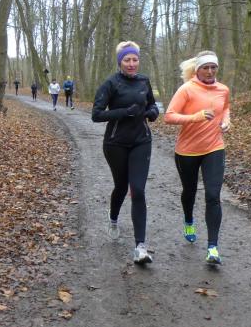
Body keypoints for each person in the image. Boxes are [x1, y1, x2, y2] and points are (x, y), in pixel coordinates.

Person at [92, 41, 158, 264]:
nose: (131, 64)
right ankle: (113, 219)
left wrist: (152, 112)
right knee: (121, 186)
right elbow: (96, 114)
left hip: (141, 141)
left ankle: (140, 247)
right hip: (116, 143)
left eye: (135, 59)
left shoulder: (144, 81)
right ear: (120, 62)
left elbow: (152, 104)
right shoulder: (111, 83)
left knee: (137, 189)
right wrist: (124, 112)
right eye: (127, 60)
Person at [164, 50, 230, 265]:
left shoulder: (223, 89)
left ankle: (213, 248)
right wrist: (195, 117)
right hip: (187, 150)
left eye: (213, 67)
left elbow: (225, 107)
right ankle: (189, 221)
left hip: (214, 148)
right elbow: (169, 116)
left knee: (213, 195)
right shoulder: (187, 89)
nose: (210, 71)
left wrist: (226, 120)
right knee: (189, 191)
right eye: (205, 67)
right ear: (197, 69)